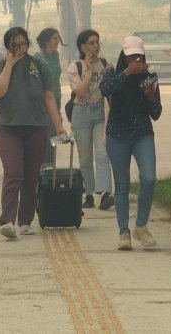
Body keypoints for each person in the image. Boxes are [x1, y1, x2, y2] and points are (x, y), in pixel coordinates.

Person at [0, 27, 65, 239]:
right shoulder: (0, 64)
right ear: (8, 46)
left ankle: (25, 220)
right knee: (13, 173)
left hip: (36, 127)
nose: (19, 47)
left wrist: (58, 125)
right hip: (9, 128)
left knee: (31, 176)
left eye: (22, 43)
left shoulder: (38, 65)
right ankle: (7, 220)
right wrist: (10, 65)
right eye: (15, 44)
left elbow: (49, 96)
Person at [100, 35, 162, 251]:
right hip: (117, 134)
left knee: (148, 178)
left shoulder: (150, 77)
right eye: (130, 57)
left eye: (139, 56)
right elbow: (105, 90)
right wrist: (126, 74)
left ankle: (141, 226)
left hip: (142, 133)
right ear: (123, 56)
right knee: (122, 185)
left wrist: (150, 96)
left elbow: (156, 114)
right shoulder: (112, 72)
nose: (135, 60)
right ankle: (123, 232)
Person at [67, 29, 113, 210]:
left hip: (99, 112)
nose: (95, 46)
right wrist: (88, 69)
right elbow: (80, 91)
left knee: (102, 154)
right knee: (85, 158)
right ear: (83, 46)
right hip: (81, 113)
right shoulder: (75, 67)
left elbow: (110, 89)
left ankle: (105, 193)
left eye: (97, 42)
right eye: (91, 43)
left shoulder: (106, 65)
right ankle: (88, 194)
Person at [34, 28, 64, 163]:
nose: (58, 41)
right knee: (46, 133)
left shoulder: (56, 55)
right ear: (47, 41)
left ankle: (50, 164)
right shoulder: (37, 58)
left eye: (58, 38)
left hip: (56, 97)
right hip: (43, 100)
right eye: (55, 39)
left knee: (54, 134)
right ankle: (43, 164)